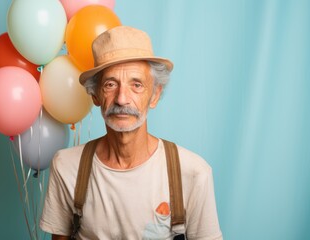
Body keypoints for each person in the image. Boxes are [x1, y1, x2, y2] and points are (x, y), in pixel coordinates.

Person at [40, 26, 222, 240]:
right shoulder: (67, 166)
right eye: (110, 84)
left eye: (136, 85)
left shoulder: (193, 173)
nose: (122, 99)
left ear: (154, 95)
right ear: (95, 95)